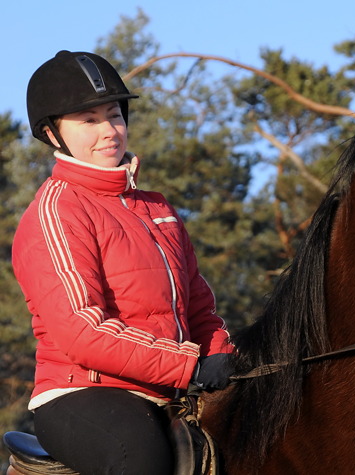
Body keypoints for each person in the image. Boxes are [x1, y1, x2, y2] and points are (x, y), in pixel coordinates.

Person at [12, 50, 236, 475]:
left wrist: (226, 357)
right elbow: (82, 331)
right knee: (139, 459)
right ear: (52, 133)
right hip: (83, 392)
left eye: (114, 115)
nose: (109, 131)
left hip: (168, 386)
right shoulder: (57, 212)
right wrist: (189, 365)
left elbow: (201, 309)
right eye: (88, 120)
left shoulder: (157, 208)